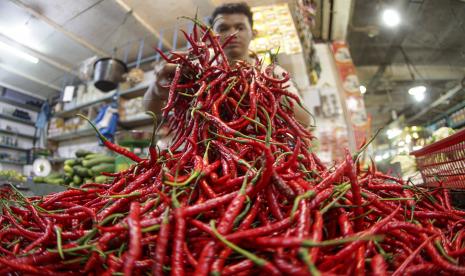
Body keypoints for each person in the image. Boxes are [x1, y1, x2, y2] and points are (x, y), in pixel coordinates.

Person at [144, 2, 310, 128]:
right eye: (223, 28)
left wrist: (275, 92)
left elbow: (304, 122)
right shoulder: (194, 68)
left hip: (259, 160)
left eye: (240, 27)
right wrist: (158, 87)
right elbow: (149, 111)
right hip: (203, 160)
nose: (232, 34)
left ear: (253, 33)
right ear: (212, 36)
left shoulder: (272, 73)